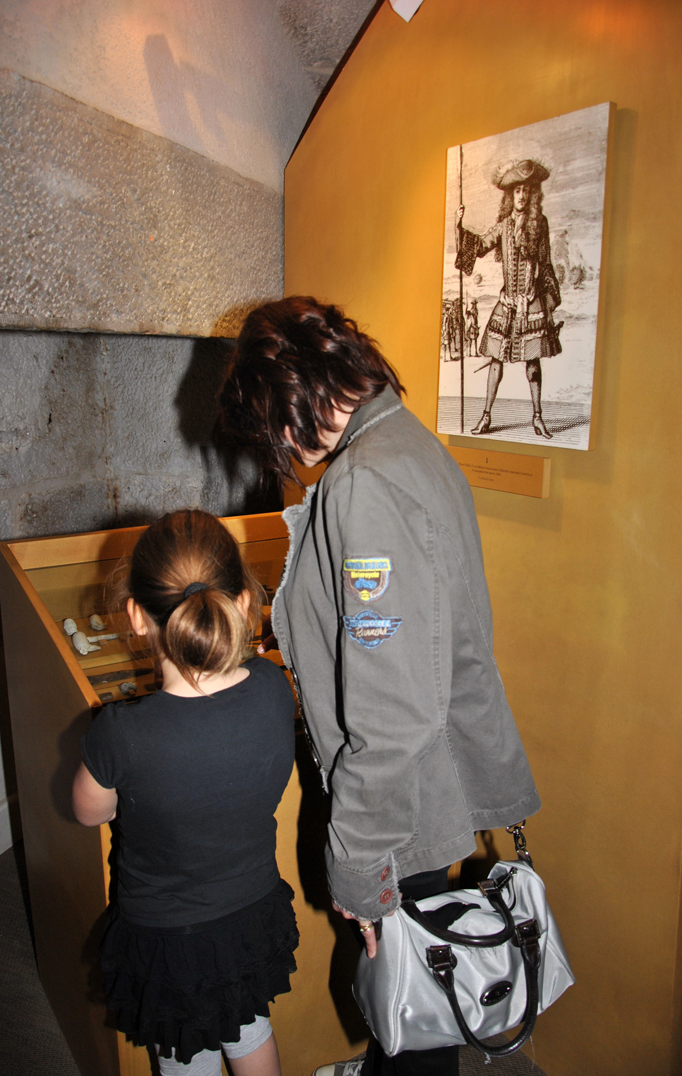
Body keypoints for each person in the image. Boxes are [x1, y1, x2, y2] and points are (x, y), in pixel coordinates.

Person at [219, 297, 541, 1076]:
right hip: (427, 786)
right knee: (420, 1005)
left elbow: (393, 713)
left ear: (290, 400)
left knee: (415, 1015)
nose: (285, 455)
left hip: (402, 807)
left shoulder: (365, 482)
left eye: (273, 433)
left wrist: (359, 859)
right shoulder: (408, 442)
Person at [72, 510, 298, 1076]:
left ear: (135, 616)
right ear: (243, 602)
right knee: (249, 1027)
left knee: (185, 1051)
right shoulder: (273, 687)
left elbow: (88, 812)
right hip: (251, 912)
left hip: (170, 938)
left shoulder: (121, 733)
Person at [455, 159, 562, 439]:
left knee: (533, 362)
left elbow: (546, 263)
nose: (522, 196)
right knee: (495, 360)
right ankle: (486, 417)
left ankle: (537, 418)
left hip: (532, 302)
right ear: (510, 195)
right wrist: (459, 227)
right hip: (507, 303)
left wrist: (548, 300)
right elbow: (480, 246)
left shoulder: (540, 224)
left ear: (533, 194)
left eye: (526, 190)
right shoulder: (503, 226)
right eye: (517, 191)